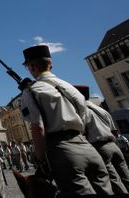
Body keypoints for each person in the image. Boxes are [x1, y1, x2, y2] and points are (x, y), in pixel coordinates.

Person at [20, 45, 113, 196]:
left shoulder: (31, 90)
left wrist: (41, 159)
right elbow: (86, 118)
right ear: (50, 64)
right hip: (88, 147)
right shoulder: (71, 88)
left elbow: (37, 127)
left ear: (31, 66)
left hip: (63, 151)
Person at [77, 85, 129, 194]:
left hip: (99, 147)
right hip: (114, 145)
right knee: (126, 174)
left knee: (114, 179)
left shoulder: (82, 111)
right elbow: (114, 130)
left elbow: (83, 132)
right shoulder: (101, 109)